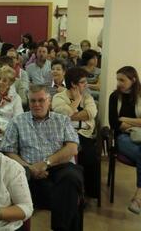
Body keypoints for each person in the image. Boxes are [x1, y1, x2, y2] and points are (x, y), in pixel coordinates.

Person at [0, 85, 83, 231]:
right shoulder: (17, 121)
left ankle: (60, 228)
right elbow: (8, 151)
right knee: (67, 196)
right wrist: (29, 167)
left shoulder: (62, 120)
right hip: (28, 169)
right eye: (32, 101)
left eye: (41, 100)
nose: (37, 104)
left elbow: (72, 148)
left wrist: (46, 163)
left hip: (59, 166)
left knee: (71, 178)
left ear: (49, 101)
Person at [52, 67, 98, 199]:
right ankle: (71, 191)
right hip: (64, 135)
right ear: (73, 84)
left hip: (84, 133)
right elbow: (64, 116)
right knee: (67, 157)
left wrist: (72, 113)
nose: (86, 85)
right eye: (83, 82)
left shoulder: (87, 97)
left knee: (90, 156)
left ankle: (89, 192)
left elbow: (91, 113)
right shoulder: (58, 97)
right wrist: (77, 101)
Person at [109, 66, 141, 214]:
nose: (119, 83)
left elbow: (120, 121)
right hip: (122, 137)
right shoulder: (114, 97)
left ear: (133, 80)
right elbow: (114, 123)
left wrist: (125, 119)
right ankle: (138, 199)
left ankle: (138, 197)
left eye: (122, 79)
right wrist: (137, 122)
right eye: (118, 79)